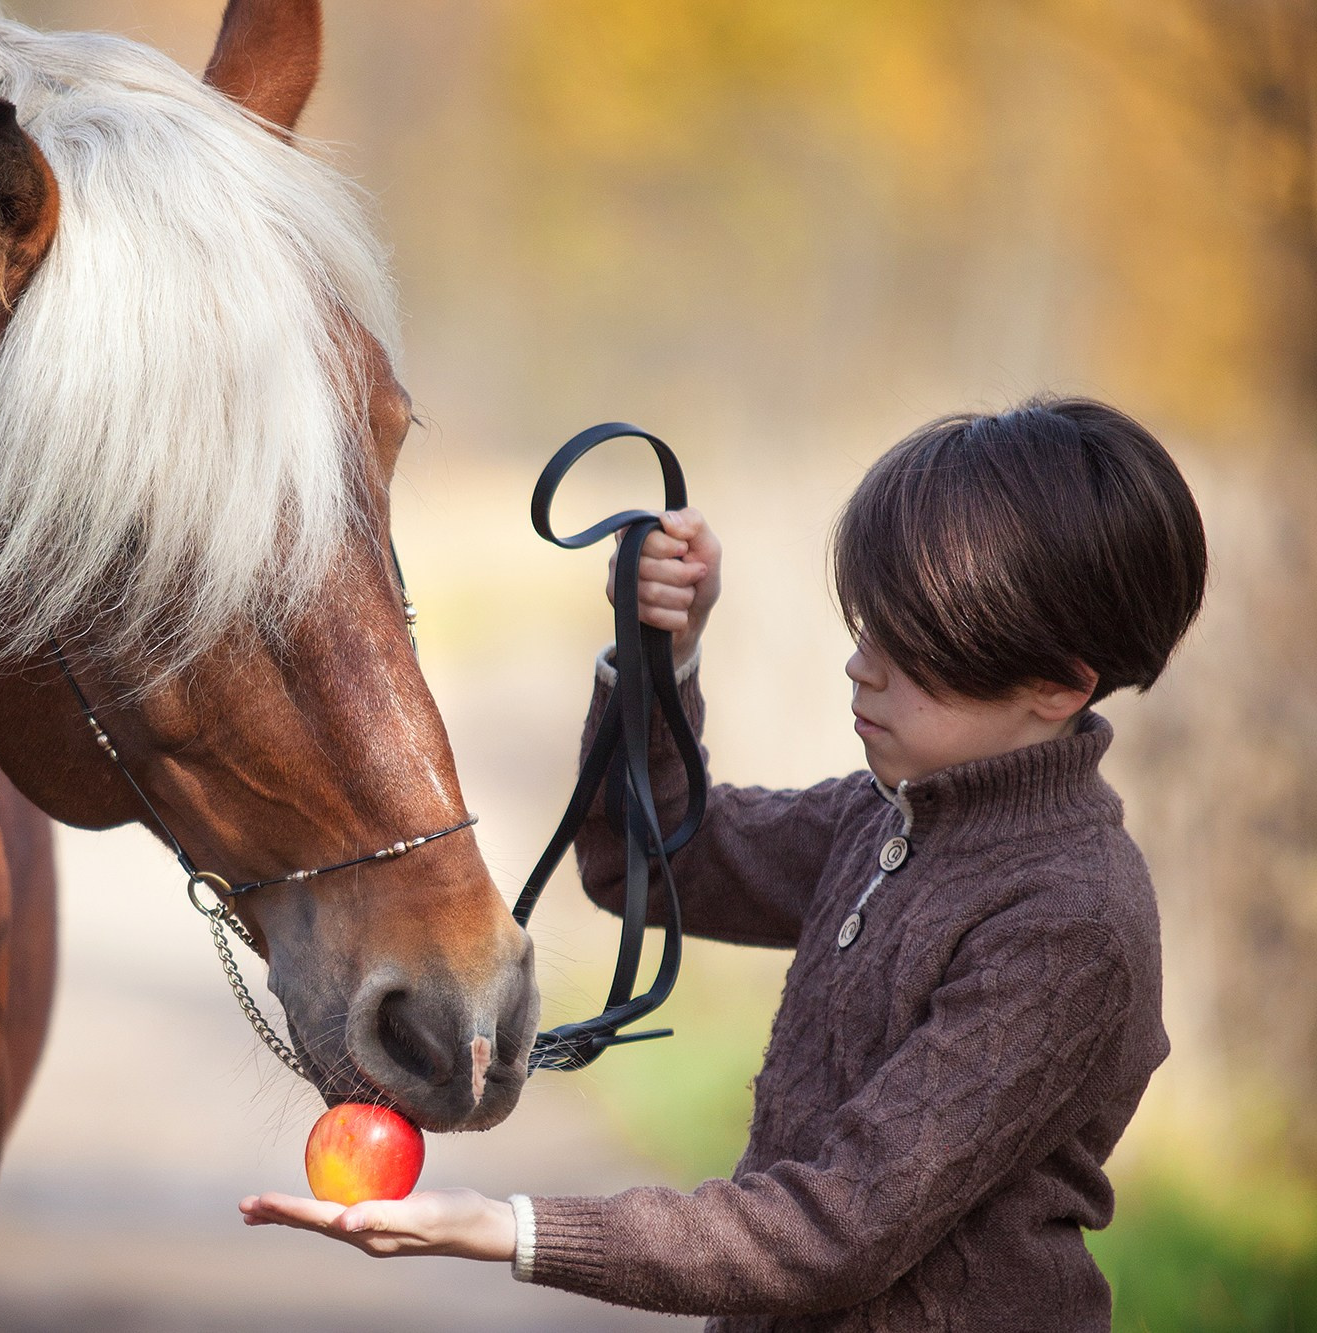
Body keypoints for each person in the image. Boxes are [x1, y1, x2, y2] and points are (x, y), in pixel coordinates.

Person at [240, 396, 1209, 1330]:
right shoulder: (885, 817)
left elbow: (837, 1227)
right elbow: (644, 857)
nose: (859, 666)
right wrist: (661, 650)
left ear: (1057, 684)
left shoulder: (1067, 921)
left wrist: (505, 1228)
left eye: (914, 650)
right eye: (867, 625)